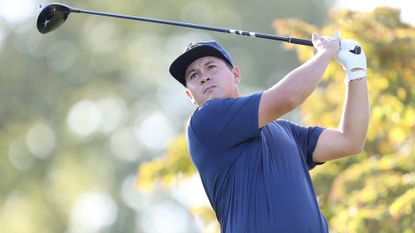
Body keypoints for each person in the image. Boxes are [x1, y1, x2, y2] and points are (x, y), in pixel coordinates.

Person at [168, 32, 369, 233]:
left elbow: (350, 141)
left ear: (236, 74)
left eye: (211, 66)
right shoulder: (206, 120)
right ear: (190, 95)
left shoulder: (286, 130)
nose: (204, 77)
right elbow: (288, 97)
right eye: (194, 75)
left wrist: (355, 70)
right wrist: (324, 54)